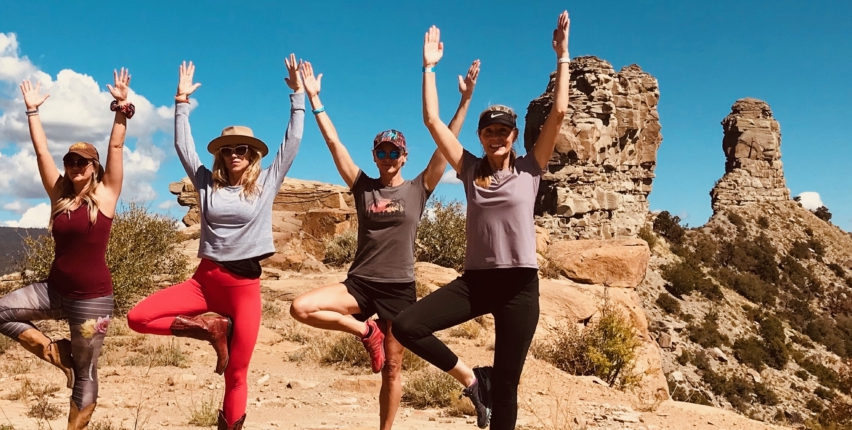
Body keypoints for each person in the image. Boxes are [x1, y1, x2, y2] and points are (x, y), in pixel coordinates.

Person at [391, 12, 571, 430]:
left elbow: (558, 113)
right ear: (481, 136)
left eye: (505, 131)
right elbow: (432, 122)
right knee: (406, 325)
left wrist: (563, 56)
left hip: (521, 287)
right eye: (489, 130)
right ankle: (474, 380)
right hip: (476, 283)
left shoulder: (531, 167)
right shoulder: (469, 170)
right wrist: (429, 68)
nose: (497, 136)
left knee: (508, 387)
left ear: (514, 135)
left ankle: (491, 387)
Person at [286, 58, 479, 430]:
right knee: (301, 307)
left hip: (399, 287)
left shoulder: (418, 188)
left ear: (404, 156)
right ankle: (365, 331)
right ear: (375, 156)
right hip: (360, 283)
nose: (388, 158)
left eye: (394, 152)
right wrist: (314, 99)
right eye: (382, 152)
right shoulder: (363, 186)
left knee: (392, 368)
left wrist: (465, 101)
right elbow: (333, 142)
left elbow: (446, 145)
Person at [125, 55, 305, 430]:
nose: (235, 155)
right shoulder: (206, 182)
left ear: (253, 155)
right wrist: (181, 103)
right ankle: (210, 328)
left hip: (244, 290)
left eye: (242, 150)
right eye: (228, 149)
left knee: (236, 374)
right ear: (220, 154)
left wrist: (297, 96)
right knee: (137, 318)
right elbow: (182, 146)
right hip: (204, 282)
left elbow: (293, 141)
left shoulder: (266, 182)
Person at [0, 69, 136, 430]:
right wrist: (32, 112)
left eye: (81, 162)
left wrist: (120, 108)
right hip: (54, 291)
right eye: (70, 161)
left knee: (85, 373)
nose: (74, 166)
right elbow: (40, 152)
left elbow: (116, 147)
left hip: (92, 301)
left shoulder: (105, 195)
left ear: (94, 167)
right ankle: (56, 353)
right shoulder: (59, 196)